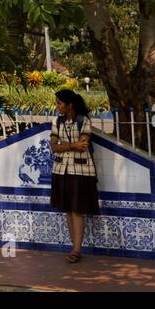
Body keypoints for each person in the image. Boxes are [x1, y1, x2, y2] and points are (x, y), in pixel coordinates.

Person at [51, 88, 100, 263]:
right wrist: (72, 145)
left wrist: (65, 144)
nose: (57, 107)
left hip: (80, 171)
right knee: (68, 210)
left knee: (77, 210)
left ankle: (77, 249)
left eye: (59, 103)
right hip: (61, 170)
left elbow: (83, 145)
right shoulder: (57, 121)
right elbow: (54, 146)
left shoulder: (83, 121)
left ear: (69, 105)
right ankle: (74, 247)